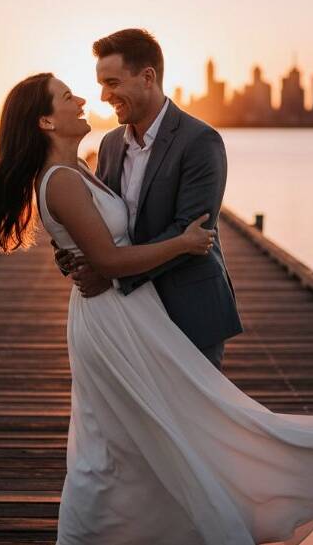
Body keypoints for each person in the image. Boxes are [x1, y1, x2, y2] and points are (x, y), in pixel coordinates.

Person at [0, 68, 313, 545]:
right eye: (67, 96)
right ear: (45, 122)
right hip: (109, 318)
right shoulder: (61, 179)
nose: (83, 100)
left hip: (132, 309)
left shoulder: (81, 167)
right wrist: (182, 243)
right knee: (114, 440)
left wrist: (78, 253)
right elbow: (108, 259)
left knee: (154, 430)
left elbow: (95, 242)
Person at [55, 29, 241, 371]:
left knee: (192, 406)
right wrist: (74, 255)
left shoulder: (200, 141)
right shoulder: (111, 144)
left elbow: (190, 232)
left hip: (188, 310)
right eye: (101, 84)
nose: (103, 96)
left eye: (112, 83)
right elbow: (101, 219)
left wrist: (112, 274)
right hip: (127, 314)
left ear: (148, 77)